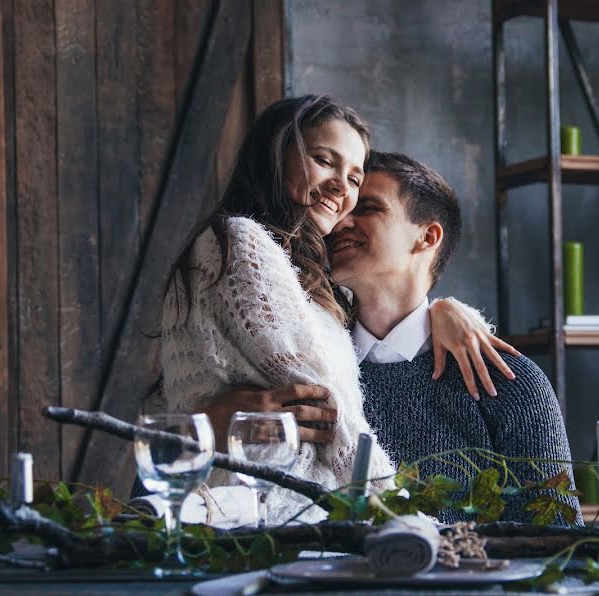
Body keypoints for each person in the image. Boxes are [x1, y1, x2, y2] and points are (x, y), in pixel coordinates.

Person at [157, 95, 514, 524]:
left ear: (427, 238)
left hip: (286, 512)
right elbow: (334, 417)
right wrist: (414, 525)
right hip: (259, 514)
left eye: (355, 179)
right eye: (325, 161)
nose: (341, 189)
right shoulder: (242, 242)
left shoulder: (310, 286)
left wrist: (444, 308)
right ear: (277, 154)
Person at [327, 151, 582, 525]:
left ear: (427, 236)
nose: (340, 224)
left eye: (366, 208)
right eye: (339, 211)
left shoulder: (509, 382)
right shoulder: (315, 373)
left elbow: (554, 538)